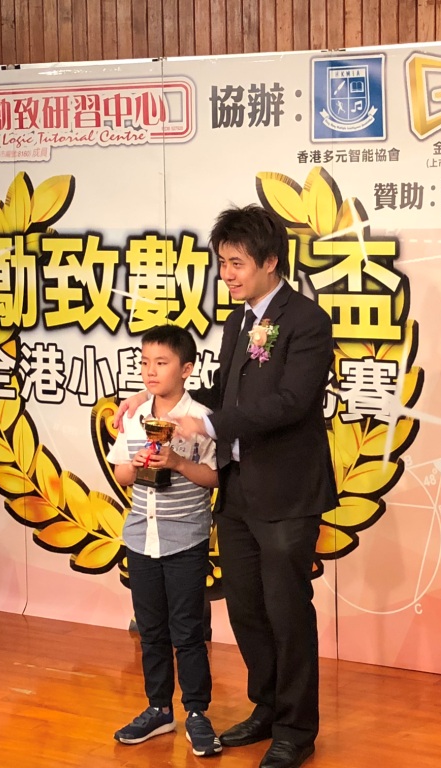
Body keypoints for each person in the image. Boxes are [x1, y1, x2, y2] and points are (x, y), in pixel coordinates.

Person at [115, 204, 336, 768]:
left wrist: (209, 425)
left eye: (237, 263)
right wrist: (155, 395)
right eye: (223, 263)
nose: (228, 274)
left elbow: (291, 403)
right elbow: (222, 393)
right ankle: (266, 707)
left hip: (286, 494)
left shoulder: (307, 321)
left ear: (270, 261)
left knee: (287, 611)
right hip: (237, 493)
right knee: (246, 609)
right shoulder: (240, 321)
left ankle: (296, 729)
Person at [106, 324, 222, 757]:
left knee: (188, 631)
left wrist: (176, 462)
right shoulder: (134, 414)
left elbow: (214, 477)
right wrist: (137, 464)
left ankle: (197, 713)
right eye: (144, 363)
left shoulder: (200, 418)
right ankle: (159, 709)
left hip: (185, 539)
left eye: (161, 362)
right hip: (141, 537)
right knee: (151, 630)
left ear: (186, 369)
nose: (150, 371)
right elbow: (121, 473)